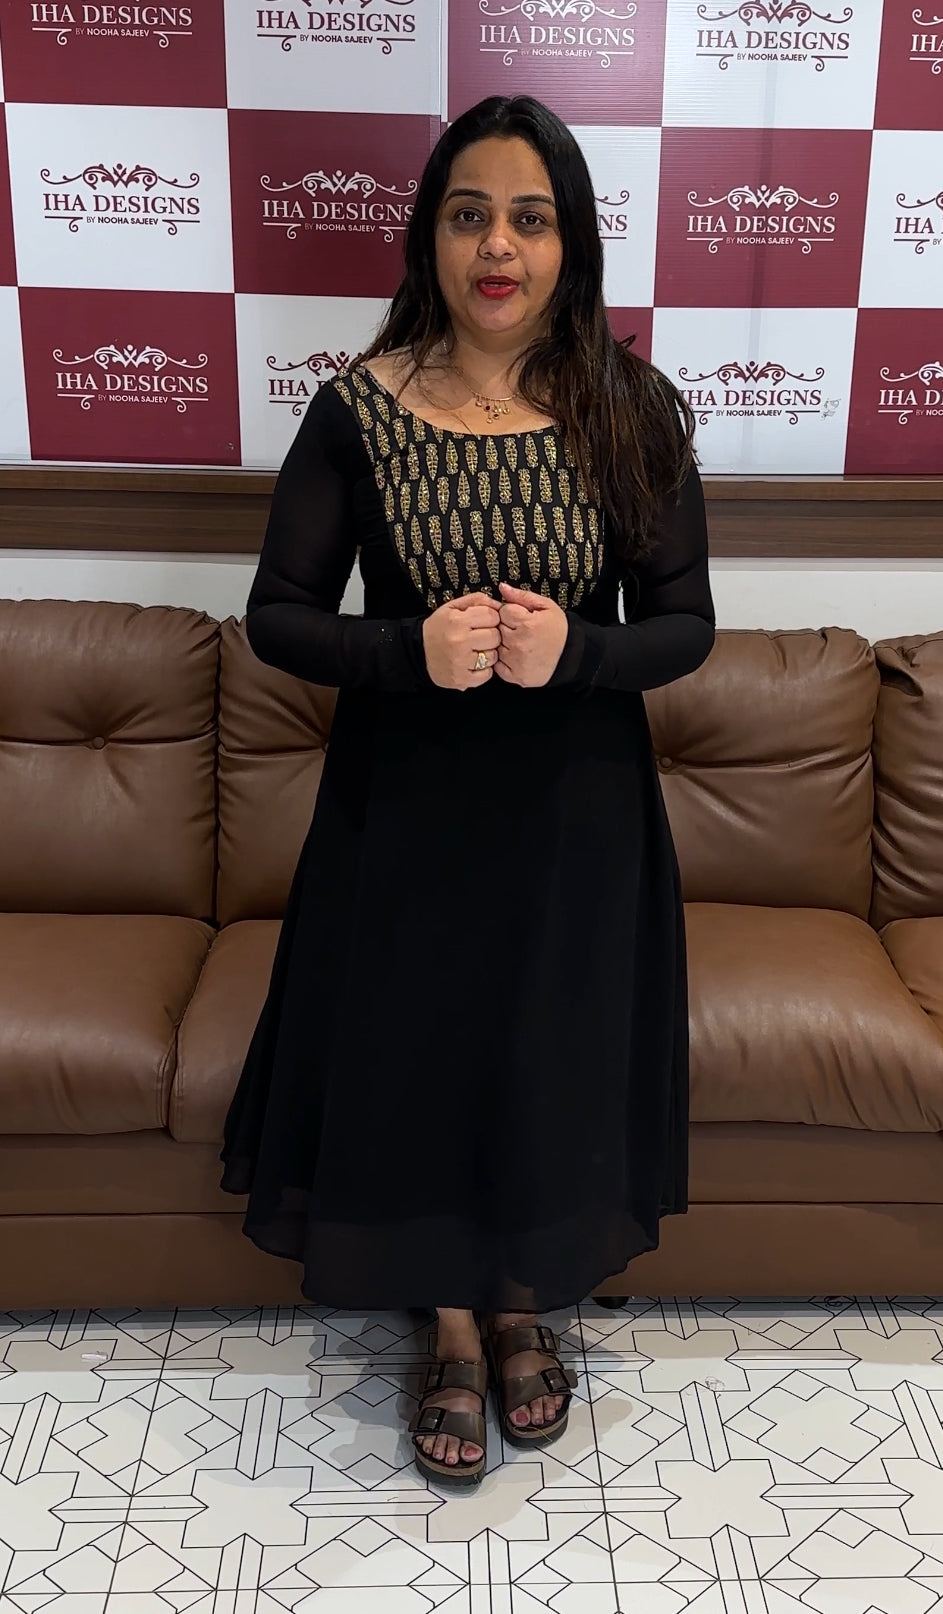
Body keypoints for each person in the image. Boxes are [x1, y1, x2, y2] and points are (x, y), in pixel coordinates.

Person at [220, 93, 715, 1490]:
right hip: (405, 813)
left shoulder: (631, 409)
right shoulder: (357, 410)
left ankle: (518, 1305)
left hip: (578, 816)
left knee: (546, 1056)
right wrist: (403, 648)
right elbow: (277, 614)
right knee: (418, 1057)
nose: (499, 246)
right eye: (470, 214)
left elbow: (686, 623)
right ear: (430, 235)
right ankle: (444, 1320)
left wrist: (581, 651)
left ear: (572, 242)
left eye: (530, 218)